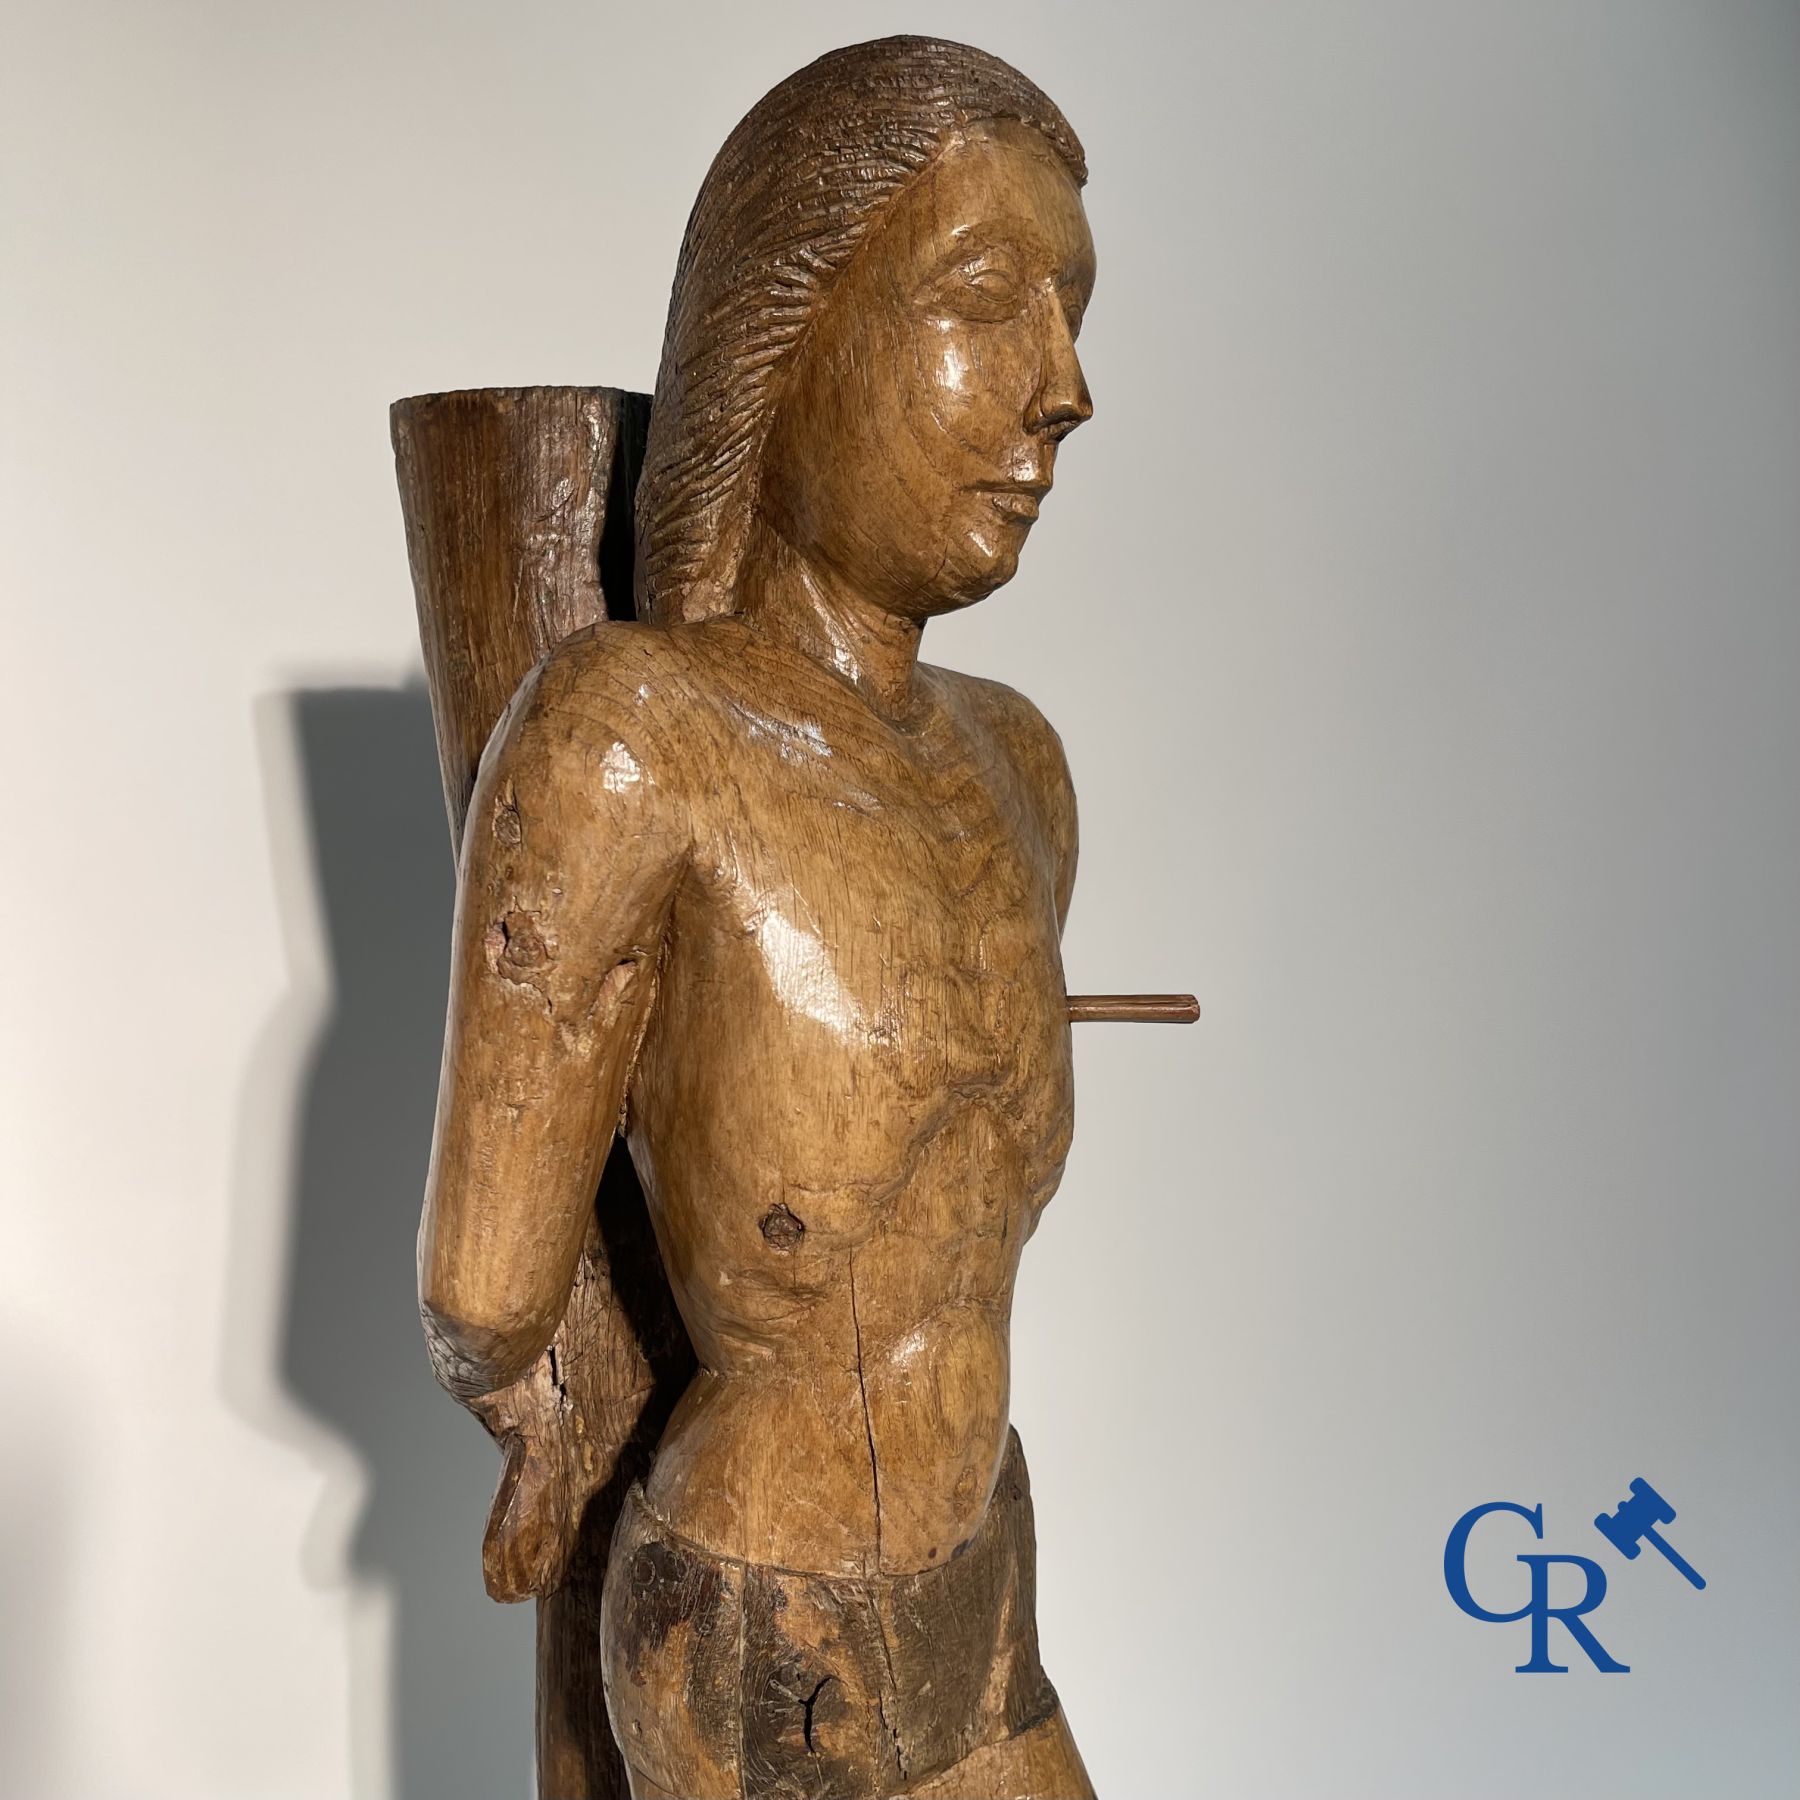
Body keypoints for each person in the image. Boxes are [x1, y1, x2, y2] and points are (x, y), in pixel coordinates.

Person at [420, 37, 1100, 1797]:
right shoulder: (635, 736)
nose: (1066, 387)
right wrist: (536, 1392)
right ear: (782, 335)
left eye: (1072, 312)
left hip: (985, 1586)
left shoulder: (1021, 763)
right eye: (985, 301)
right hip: (762, 1644)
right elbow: (483, 1290)